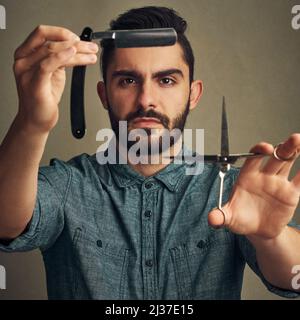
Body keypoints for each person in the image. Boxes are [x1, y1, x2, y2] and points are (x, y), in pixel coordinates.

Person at [0, 6, 299, 300]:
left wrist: (269, 237)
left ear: (192, 94)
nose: (146, 100)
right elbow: (6, 222)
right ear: (104, 95)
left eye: (166, 80)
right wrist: (31, 122)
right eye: (128, 80)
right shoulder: (67, 186)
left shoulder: (232, 192)